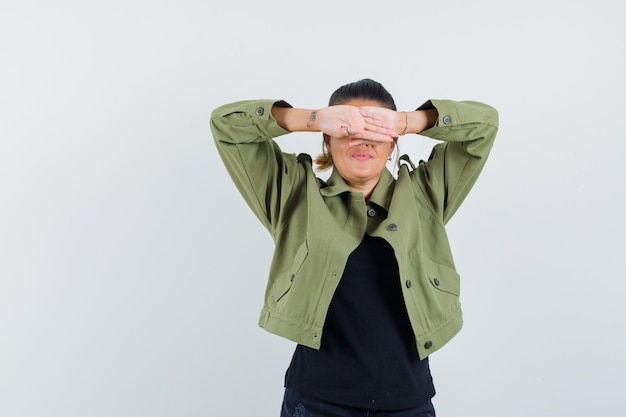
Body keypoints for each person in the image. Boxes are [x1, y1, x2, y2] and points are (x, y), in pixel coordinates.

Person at [211, 79, 499, 417]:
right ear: (328, 141)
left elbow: (485, 125)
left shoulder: (425, 194)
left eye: (376, 129)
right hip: (316, 402)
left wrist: (407, 121)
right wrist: (315, 117)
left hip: (408, 402)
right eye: (348, 129)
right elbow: (226, 125)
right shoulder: (294, 195)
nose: (362, 139)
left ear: (392, 144)